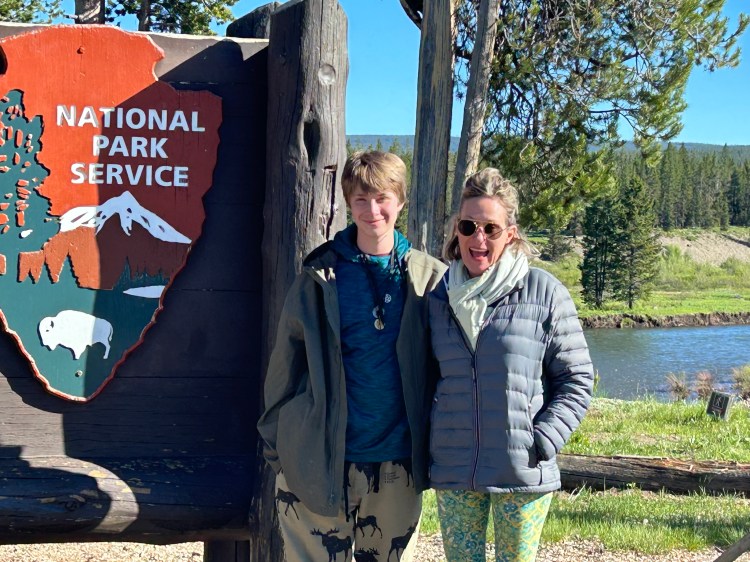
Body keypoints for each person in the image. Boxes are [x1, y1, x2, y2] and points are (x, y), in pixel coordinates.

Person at [257, 150, 447, 561]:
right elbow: (285, 365)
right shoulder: (319, 275)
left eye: (382, 198)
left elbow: (451, 369)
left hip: (398, 464)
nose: (372, 210)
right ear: (347, 202)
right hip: (318, 457)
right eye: (361, 199)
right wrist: (279, 447)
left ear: (401, 201)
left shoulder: (430, 279)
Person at [428, 168, 594, 562]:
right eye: (469, 226)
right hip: (455, 469)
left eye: (491, 228)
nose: (478, 239)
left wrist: (543, 440)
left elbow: (577, 380)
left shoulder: (544, 292)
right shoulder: (438, 297)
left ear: (511, 234)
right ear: (456, 230)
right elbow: (425, 379)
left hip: (522, 472)